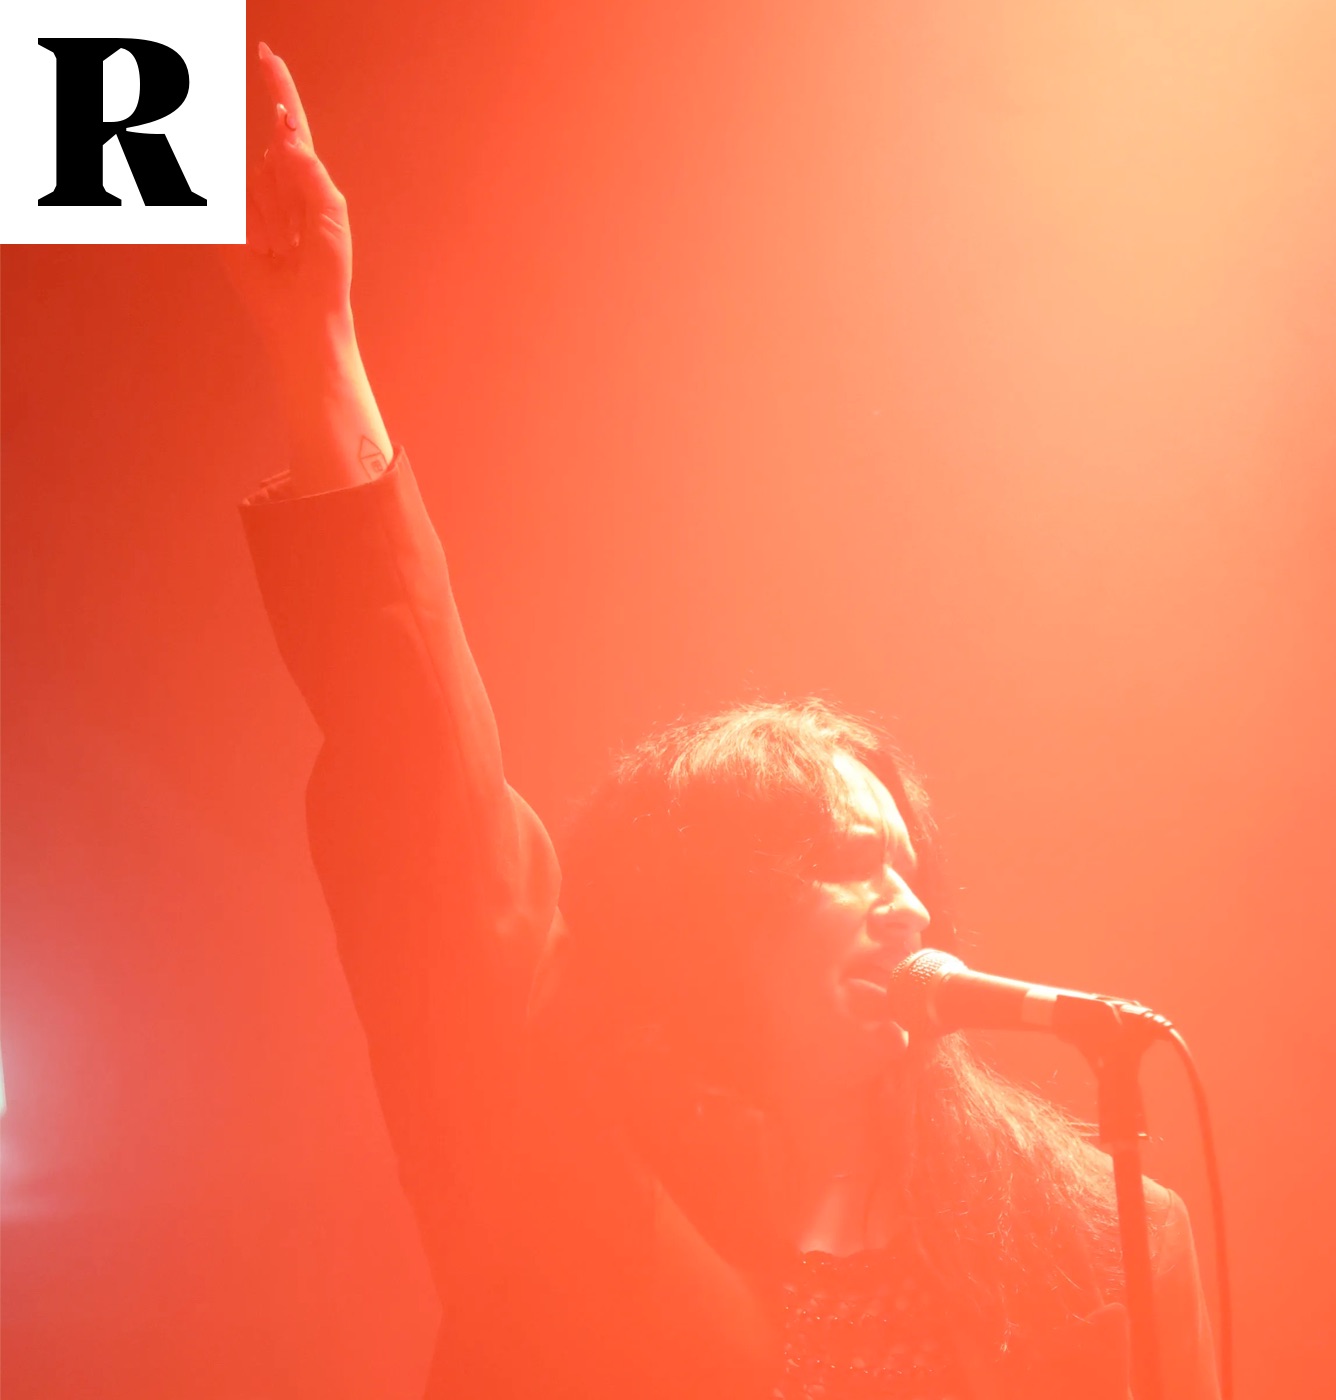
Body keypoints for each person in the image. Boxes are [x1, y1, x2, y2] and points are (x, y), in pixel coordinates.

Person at [228, 45, 1219, 1400]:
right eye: (842, 861)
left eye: (907, 864)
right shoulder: (585, 1188)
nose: (905, 903)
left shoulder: (1096, 1243)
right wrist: (320, 349)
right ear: (710, 921)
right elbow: (438, 820)